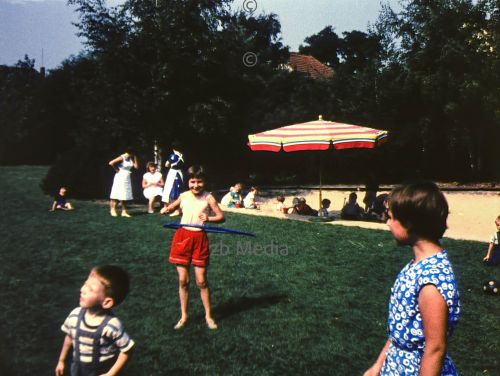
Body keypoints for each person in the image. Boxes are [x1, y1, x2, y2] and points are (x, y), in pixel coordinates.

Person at [363, 181, 460, 376]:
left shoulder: (431, 280)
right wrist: (378, 366)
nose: (387, 223)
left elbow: (435, 349)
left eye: (390, 217)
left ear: (409, 222)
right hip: (396, 365)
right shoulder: (416, 266)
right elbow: (400, 332)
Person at [162, 165, 225, 330]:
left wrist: (209, 218)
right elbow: (172, 206)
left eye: (199, 182)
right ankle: (184, 316)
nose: (195, 185)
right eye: (192, 182)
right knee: (183, 280)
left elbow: (221, 216)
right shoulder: (183, 196)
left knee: (201, 281)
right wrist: (166, 208)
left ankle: (209, 316)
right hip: (182, 237)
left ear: (204, 182)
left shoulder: (208, 198)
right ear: (188, 182)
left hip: (199, 239)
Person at [55, 265, 134, 376]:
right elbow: (70, 337)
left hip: (100, 372)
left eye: (90, 289)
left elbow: (127, 350)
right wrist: (61, 361)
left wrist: (111, 374)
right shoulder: (75, 315)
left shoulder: (111, 325)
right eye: (85, 284)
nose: (82, 290)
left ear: (106, 302)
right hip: (78, 369)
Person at [109, 150, 139, 217]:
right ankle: (113, 209)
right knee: (117, 192)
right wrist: (117, 169)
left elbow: (136, 167)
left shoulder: (132, 158)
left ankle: (124, 211)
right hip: (120, 176)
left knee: (125, 194)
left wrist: (135, 158)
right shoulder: (122, 157)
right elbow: (111, 163)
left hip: (127, 177)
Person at [161, 142, 184, 215]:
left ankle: (177, 210)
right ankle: (172, 208)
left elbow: (166, 164)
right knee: (176, 189)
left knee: (173, 190)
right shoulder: (182, 156)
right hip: (179, 173)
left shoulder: (173, 155)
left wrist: (171, 165)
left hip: (173, 173)